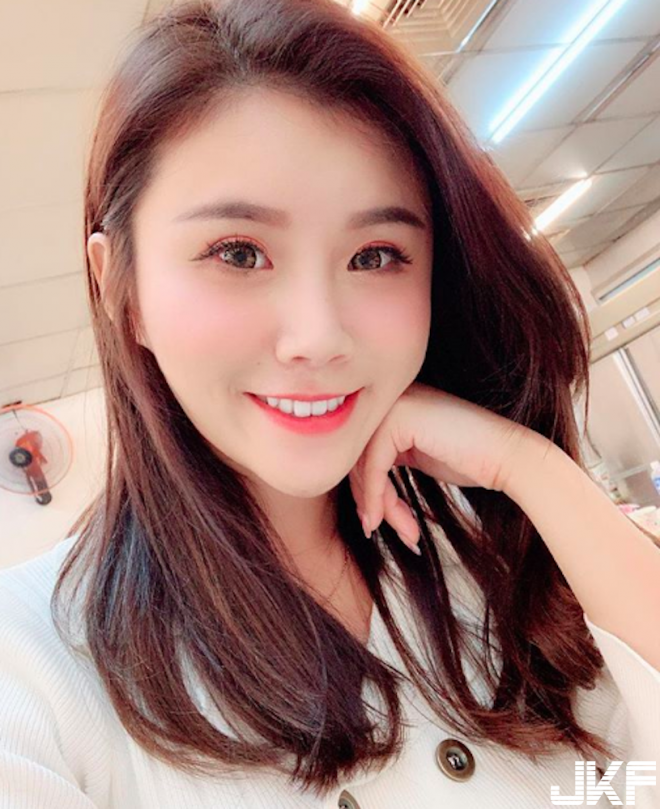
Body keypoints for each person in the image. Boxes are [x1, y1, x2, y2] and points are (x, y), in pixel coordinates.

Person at [0, 0, 658, 806]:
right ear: (121, 290)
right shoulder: (33, 666)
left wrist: (529, 468)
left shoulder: (478, 552)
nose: (318, 337)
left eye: (376, 255)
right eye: (238, 252)